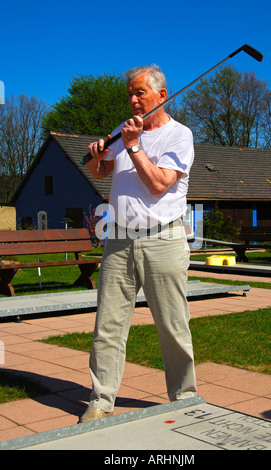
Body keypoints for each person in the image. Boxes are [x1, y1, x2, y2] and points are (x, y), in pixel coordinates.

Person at [79, 66, 197, 423]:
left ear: (162, 95)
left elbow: (159, 184)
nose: (132, 100)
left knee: (172, 323)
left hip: (163, 238)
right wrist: (99, 156)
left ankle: (184, 397)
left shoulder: (180, 135)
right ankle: (100, 400)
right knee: (108, 325)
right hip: (118, 239)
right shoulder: (123, 129)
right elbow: (100, 172)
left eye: (140, 93)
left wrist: (133, 146)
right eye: (129, 94)